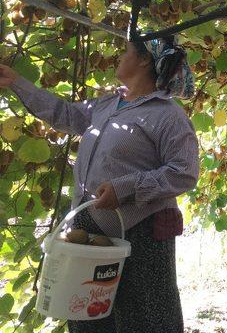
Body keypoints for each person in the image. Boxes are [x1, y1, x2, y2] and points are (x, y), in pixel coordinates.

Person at [0, 36, 199, 333]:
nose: (121, 55)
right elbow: (65, 115)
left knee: (146, 316)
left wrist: (126, 187)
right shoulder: (109, 103)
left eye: (127, 51)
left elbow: (184, 171)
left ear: (144, 60)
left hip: (141, 230)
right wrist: (16, 81)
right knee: (85, 311)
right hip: (90, 224)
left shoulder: (167, 115)